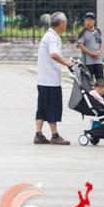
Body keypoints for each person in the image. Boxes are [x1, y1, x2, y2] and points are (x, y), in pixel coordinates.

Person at [34, 12, 73, 145]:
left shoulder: (49, 35)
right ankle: (55, 135)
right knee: (52, 107)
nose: (66, 24)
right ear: (62, 23)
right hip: (50, 80)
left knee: (42, 107)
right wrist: (66, 62)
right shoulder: (52, 38)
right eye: (65, 22)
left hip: (43, 79)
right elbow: (54, 54)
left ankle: (38, 134)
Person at [77, 12, 104, 80]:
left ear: (94, 21)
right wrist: (91, 53)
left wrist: (99, 51)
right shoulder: (82, 32)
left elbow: (102, 43)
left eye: (91, 19)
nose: (89, 21)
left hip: (98, 61)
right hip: (88, 62)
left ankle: (101, 91)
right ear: (84, 21)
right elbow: (81, 46)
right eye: (87, 19)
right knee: (88, 82)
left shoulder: (98, 31)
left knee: (100, 81)